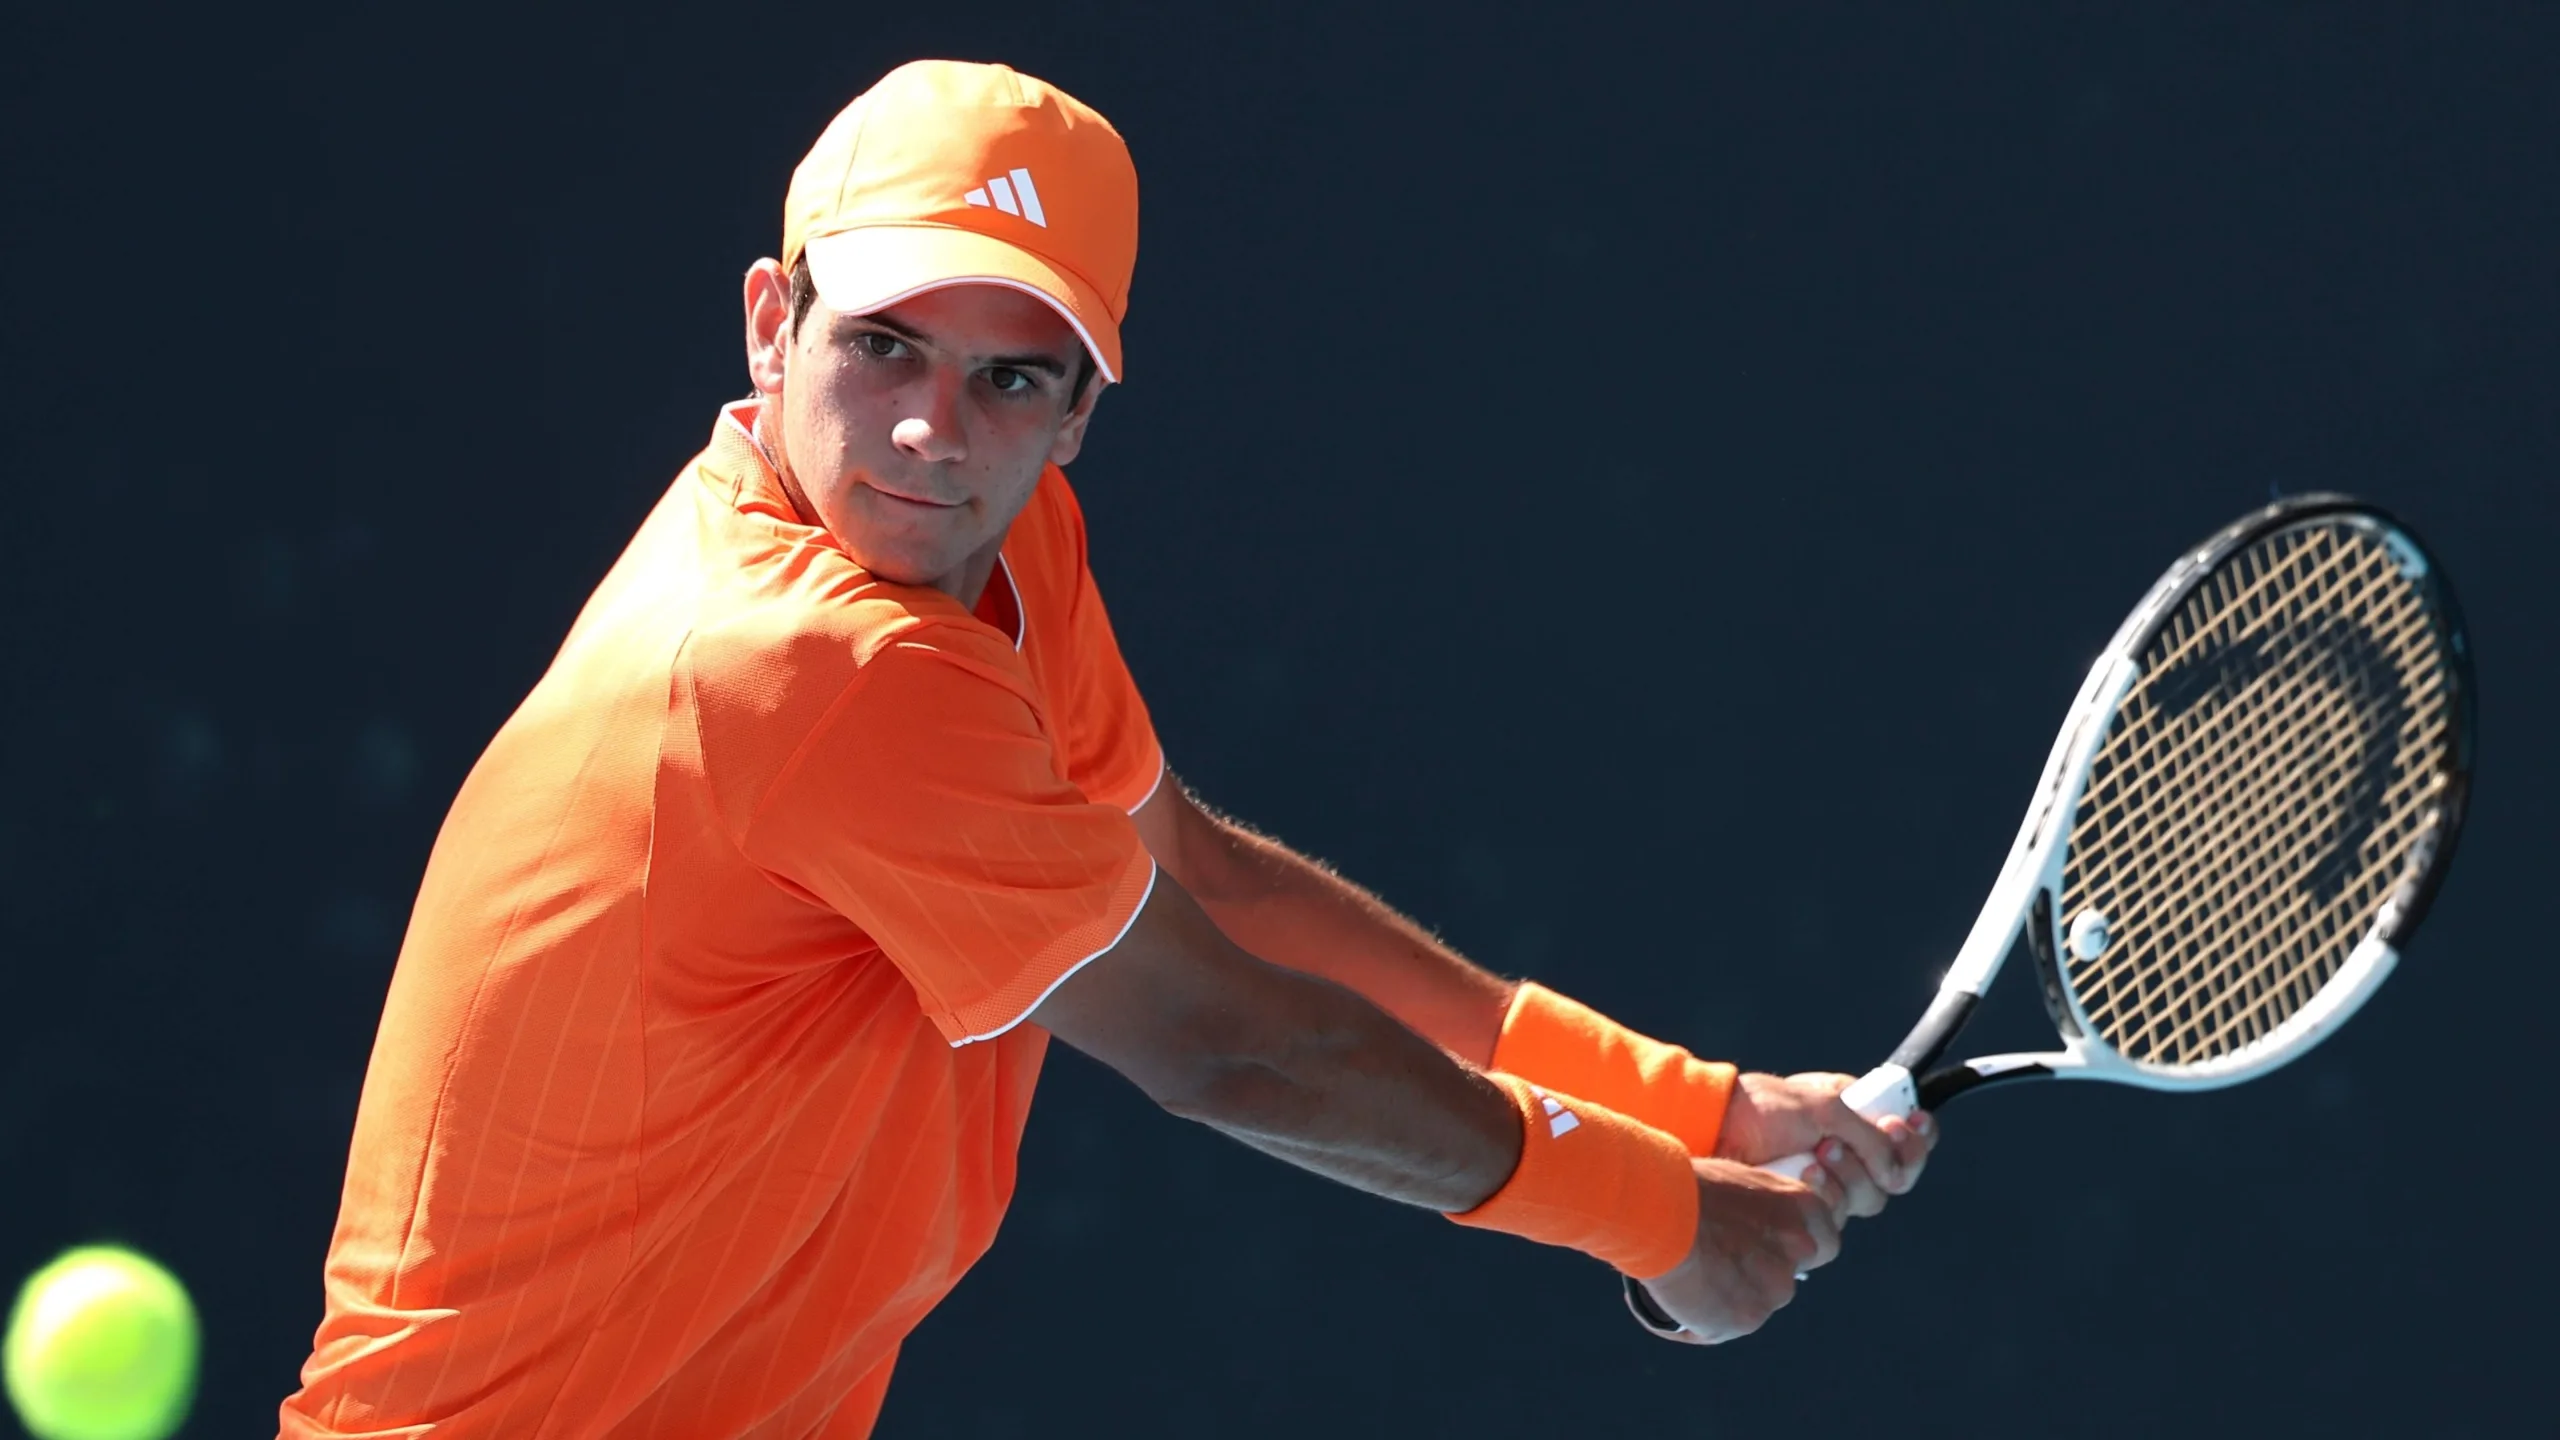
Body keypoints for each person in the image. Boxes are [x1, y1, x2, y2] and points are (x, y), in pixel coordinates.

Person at [278, 59, 1934, 1439]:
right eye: (883, 343)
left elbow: (1196, 880)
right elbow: (1230, 1046)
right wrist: (1660, 1216)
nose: (932, 428)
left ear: (1077, 414)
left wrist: (1696, 1112)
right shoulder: (811, 665)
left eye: (1008, 378)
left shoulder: (997, 547)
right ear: (772, 326)